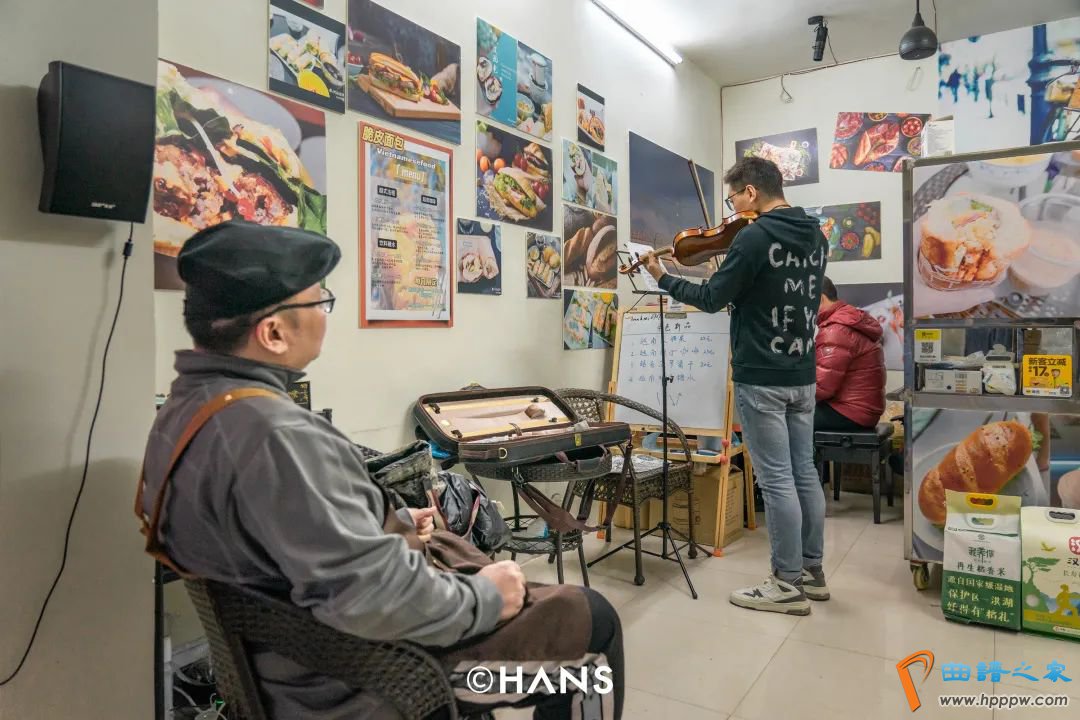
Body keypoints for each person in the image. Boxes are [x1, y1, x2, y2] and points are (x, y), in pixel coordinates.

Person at [137, 221, 623, 720]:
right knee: (592, 625)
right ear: (274, 333)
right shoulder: (279, 435)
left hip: (285, 667)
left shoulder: (183, 413)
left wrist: (389, 522)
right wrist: (487, 598)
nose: (325, 316)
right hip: (372, 676)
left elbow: (283, 540)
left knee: (463, 554)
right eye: (319, 302)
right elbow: (373, 599)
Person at [642, 156, 828, 615]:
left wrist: (663, 277)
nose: (732, 210)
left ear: (751, 192)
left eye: (733, 199)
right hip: (801, 372)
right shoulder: (815, 236)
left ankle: (786, 584)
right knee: (804, 473)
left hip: (762, 373)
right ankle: (812, 571)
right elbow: (769, 289)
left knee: (777, 479)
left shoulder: (755, 236)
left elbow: (710, 298)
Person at [814, 277, 886, 433]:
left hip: (848, 412)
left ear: (820, 299)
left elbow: (821, 388)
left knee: (786, 416)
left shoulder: (835, 330)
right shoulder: (848, 320)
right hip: (863, 410)